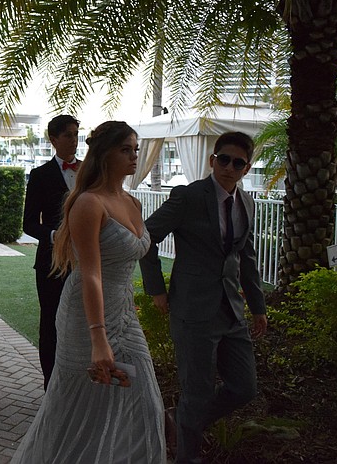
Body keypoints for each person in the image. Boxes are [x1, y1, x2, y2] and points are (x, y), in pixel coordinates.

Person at [12, 121, 165, 463]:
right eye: (126, 149)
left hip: (123, 313)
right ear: (104, 153)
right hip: (87, 317)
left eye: (136, 149)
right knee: (78, 406)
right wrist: (99, 337)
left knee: (143, 400)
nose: (134, 156)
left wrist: (130, 305)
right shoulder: (88, 203)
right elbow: (92, 273)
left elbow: (128, 263)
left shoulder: (131, 202)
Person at [140, 131, 268, 464]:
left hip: (231, 312)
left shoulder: (248, 203)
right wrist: (156, 289)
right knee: (196, 394)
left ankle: (182, 422)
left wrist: (258, 307)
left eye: (237, 162)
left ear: (246, 168)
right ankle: (187, 454)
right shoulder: (188, 197)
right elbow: (145, 238)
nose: (228, 167)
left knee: (244, 387)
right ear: (213, 160)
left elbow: (247, 259)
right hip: (193, 310)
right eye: (223, 159)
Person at [22, 114, 80, 390]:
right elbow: (29, 223)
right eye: (68, 134)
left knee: (80, 322)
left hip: (86, 262)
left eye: (76, 134)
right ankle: (50, 385)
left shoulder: (89, 174)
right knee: (51, 324)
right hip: (51, 263)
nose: (73, 140)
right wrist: (56, 236)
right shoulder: (40, 175)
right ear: (53, 139)